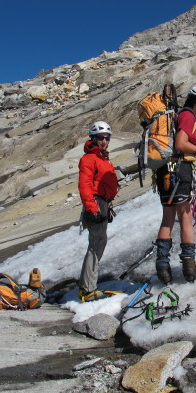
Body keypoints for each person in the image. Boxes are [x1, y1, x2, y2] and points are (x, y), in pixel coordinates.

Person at [155, 84, 196, 284]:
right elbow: (181, 144)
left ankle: (163, 268)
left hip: (165, 172)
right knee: (185, 216)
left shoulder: (180, 115)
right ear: (192, 101)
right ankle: (189, 267)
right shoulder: (188, 116)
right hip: (180, 171)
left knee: (167, 219)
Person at [77, 120, 119, 302]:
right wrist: (92, 208)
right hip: (96, 203)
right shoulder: (89, 159)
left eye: (107, 138)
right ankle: (88, 289)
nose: (104, 141)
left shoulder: (102, 158)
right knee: (96, 244)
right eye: (100, 138)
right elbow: (84, 185)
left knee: (98, 243)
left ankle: (87, 286)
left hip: (102, 203)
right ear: (93, 139)